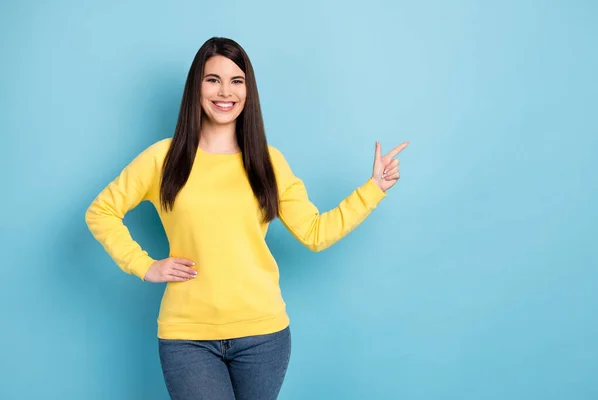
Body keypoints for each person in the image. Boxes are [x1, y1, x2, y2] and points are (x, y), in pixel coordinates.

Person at [85, 36, 408, 400]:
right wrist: (144, 265)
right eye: (213, 80)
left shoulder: (268, 161)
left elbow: (316, 233)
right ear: (197, 87)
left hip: (263, 337)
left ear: (248, 91)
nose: (225, 91)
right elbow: (101, 211)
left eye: (236, 81)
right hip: (187, 337)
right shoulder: (164, 157)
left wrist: (374, 189)